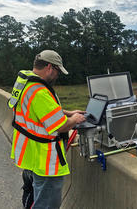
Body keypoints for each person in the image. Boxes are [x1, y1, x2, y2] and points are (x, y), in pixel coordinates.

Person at [9, 50, 86, 209]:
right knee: (47, 203)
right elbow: (60, 125)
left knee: (35, 196)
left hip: (30, 152)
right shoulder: (40, 91)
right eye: (57, 71)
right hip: (45, 160)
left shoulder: (26, 83)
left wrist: (68, 113)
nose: (57, 75)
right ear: (50, 67)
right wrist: (74, 119)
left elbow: (41, 112)